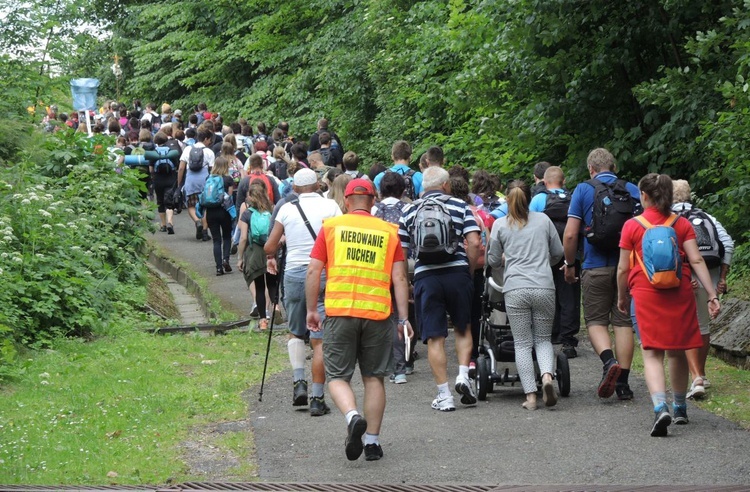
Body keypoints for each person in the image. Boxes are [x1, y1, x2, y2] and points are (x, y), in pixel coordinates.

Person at [306, 178, 412, 461]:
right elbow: (399, 277)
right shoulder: (389, 231)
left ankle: (353, 417)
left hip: (340, 312)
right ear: (373, 201)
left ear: (346, 201)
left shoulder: (331, 228)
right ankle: (373, 444)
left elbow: (314, 271)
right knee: (374, 377)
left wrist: (311, 310)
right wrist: (403, 319)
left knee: (338, 376)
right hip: (377, 314)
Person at [617, 173, 721, 436]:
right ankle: (680, 408)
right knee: (677, 350)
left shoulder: (632, 225)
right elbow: (696, 261)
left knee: (652, 353)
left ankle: (659, 407)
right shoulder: (681, 223)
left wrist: (622, 295)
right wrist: (712, 294)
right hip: (680, 291)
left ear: (644, 195)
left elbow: (621, 268)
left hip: (644, 292)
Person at [398, 166, 481, 411]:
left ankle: (444, 396)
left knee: (435, 336)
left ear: (424, 186)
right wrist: (469, 269)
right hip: (457, 274)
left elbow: (401, 252)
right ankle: (463, 376)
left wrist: (409, 279)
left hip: (426, 277)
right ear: (446, 185)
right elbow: (474, 241)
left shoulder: (409, 210)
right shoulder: (459, 206)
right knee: (463, 328)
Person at [562, 148, 640, 400]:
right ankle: (624, 384)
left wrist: (570, 263)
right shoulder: (631, 189)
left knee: (595, 321)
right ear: (614, 166)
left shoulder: (584, 190)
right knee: (623, 322)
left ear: (591, 169)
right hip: (626, 267)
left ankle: (608, 362)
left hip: (594, 266)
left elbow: (572, 233)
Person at [264, 168, 342, 415]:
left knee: (296, 332)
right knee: (319, 341)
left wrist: (274, 253)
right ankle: (318, 398)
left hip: (296, 274)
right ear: (318, 185)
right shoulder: (331, 207)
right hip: (325, 273)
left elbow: (269, 245)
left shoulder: (287, 209)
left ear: (295, 188)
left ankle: (299, 382)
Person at [487, 180, 562, 410]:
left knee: (522, 343)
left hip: (516, 288)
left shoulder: (500, 225)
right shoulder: (544, 220)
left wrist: (503, 261)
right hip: (543, 286)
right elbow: (558, 253)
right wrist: (543, 263)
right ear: (530, 198)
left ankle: (530, 396)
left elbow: (491, 260)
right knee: (542, 339)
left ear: (507, 200)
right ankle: (547, 377)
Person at [671, 179, 734, 399]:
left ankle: (695, 377)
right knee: (703, 325)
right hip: (711, 272)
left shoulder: (670, 218)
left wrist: (683, 274)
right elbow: (728, 243)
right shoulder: (707, 217)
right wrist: (722, 278)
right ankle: (702, 374)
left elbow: (671, 249)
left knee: (686, 324)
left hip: (687, 273)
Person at [529, 165, 580, 358]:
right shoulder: (573, 199)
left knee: (545, 294)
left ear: (544, 181)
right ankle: (568, 341)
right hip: (570, 255)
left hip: (544, 255)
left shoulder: (538, 199)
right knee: (569, 296)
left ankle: (549, 333)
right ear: (564, 181)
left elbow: (529, 227)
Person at [373, 171, 412, 383]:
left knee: (383, 318)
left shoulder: (373, 210)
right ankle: (403, 365)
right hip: (403, 266)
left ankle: (388, 365)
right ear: (402, 190)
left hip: (378, 268)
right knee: (403, 315)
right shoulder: (408, 209)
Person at [237, 181, 275, 330]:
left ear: (251, 196)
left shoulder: (247, 213)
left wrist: (240, 258)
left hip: (255, 253)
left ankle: (263, 321)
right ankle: (276, 308)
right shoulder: (272, 210)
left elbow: (243, 237)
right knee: (272, 283)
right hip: (270, 251)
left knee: (259, 287)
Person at [178, 128, 215, 242]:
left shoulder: (188, 149)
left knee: (191, 205)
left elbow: (181, 168)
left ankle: (197, 221)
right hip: (204, 180)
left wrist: (179, 184)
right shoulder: (209, 152)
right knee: (205, 206)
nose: (210, 142)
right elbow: (213, 170)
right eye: (209, 140)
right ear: (206, 139)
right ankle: (204, 232)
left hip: (191, 180)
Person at [203, 157, 236, 276]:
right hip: (224, 211)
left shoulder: (208, 178)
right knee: (226, 237)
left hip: (211, 212)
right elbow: (230, 197)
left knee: (216, 240)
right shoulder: (228, 179)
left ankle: (218, 268)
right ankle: (225, 260)